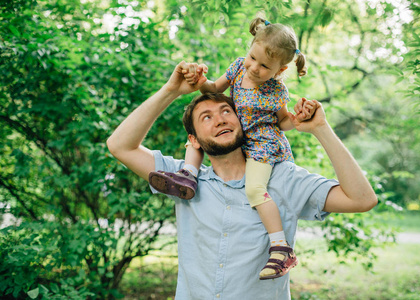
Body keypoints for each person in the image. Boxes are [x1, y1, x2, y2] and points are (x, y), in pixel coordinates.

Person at [106, 60, 378, 299]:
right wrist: (171, 91)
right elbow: (120, 146)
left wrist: (321, 129)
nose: (220, 120)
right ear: (194, 140)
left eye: (227, 111)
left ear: (243, 121)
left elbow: (362, 199)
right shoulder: (182, 181)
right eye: (207, 117)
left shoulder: (282, 177)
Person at [147, 17, 316, 280]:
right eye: (252, 57)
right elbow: (213, 88)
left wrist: (296, 120)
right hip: (237, 136)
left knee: (254, 190)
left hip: (261, 144)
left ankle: (281, 247)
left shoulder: (276, 90)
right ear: (249, 49)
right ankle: (188, 175)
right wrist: (200, 80)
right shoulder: (239, 67)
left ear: (280, 70)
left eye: (264, 66)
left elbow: (281, 122)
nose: (254, 67)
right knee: (198, 139)